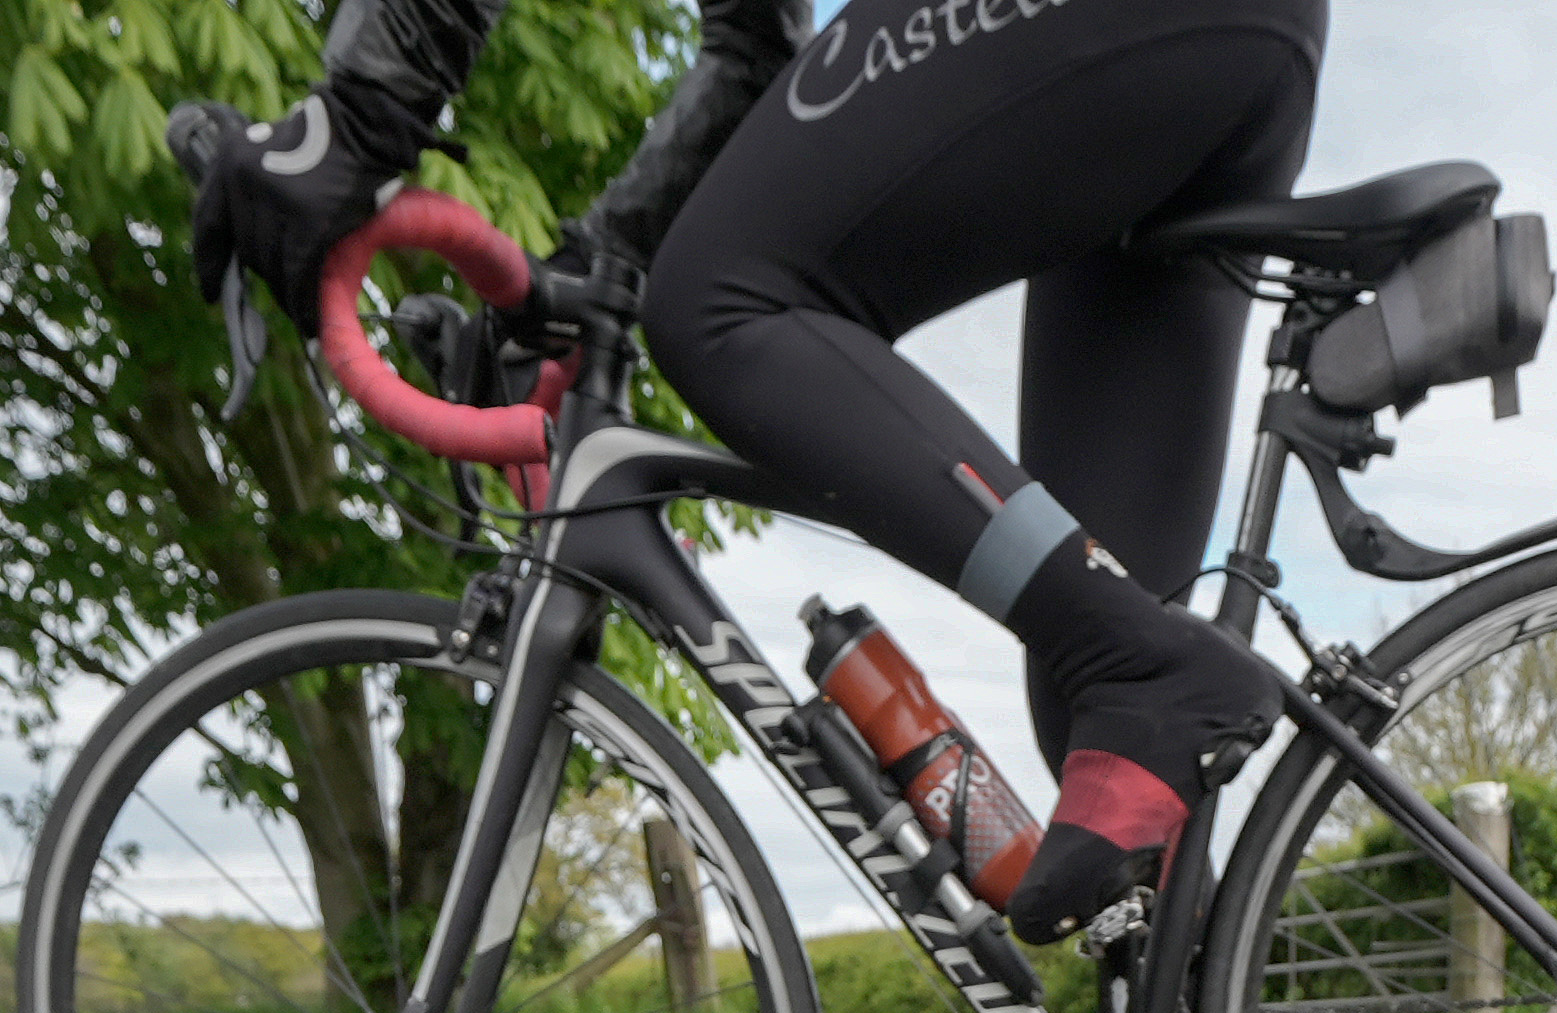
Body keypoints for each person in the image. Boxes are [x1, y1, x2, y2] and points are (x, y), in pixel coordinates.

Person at [176, 0, 1306, 962]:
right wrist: (594, 266)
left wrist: (356, 117)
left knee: (719, 302)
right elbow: (758, 50)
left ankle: (1139, 657)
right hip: (1233, 53)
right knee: (1111, 741)